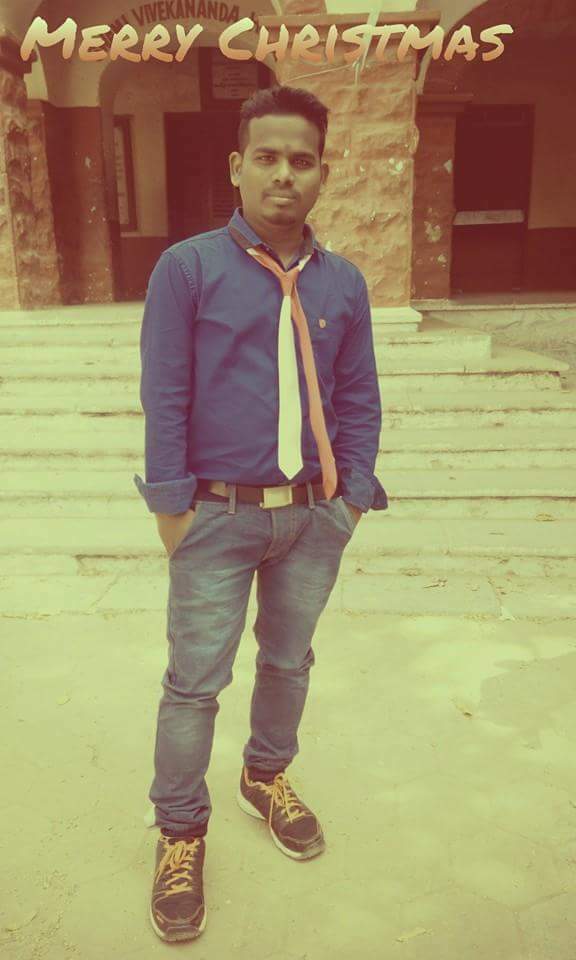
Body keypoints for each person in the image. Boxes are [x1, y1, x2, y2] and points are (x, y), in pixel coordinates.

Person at [133, 83, 388, 942]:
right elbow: (165, 393)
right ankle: (180, 831)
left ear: (323, 174)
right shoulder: (188, 269)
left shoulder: (343, 284)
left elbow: (359, 396)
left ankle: (265, 775)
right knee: (193, 684)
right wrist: (172, 510)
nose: (285, 175)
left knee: (288, 662)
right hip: (216, 516)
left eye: (302, 161)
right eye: (268, 158)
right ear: (237, 166)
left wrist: (352, 498)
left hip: (313, 518)